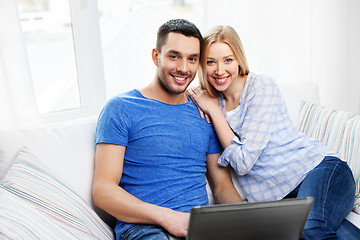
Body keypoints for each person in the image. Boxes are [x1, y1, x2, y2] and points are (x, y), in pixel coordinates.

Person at [187, 25, 356, 239]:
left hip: (318, 170)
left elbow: (243, 162)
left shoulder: (261, 87)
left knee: (311, 228)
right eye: (211, 62)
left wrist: (213, 110)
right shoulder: (211, 103)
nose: (219, 70)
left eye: (227, 60)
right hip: (280, 198)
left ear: (239, 59)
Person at [92, 19, 242, 240]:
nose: (183, 68)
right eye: (174, 56)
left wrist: (247, 224)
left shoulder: (204, 112)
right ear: (156, 56)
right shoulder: (121, 108)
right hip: (146, 229)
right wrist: (167, 217)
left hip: (199, 229)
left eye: (192, 59)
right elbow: (103, 191)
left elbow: (221, 187)